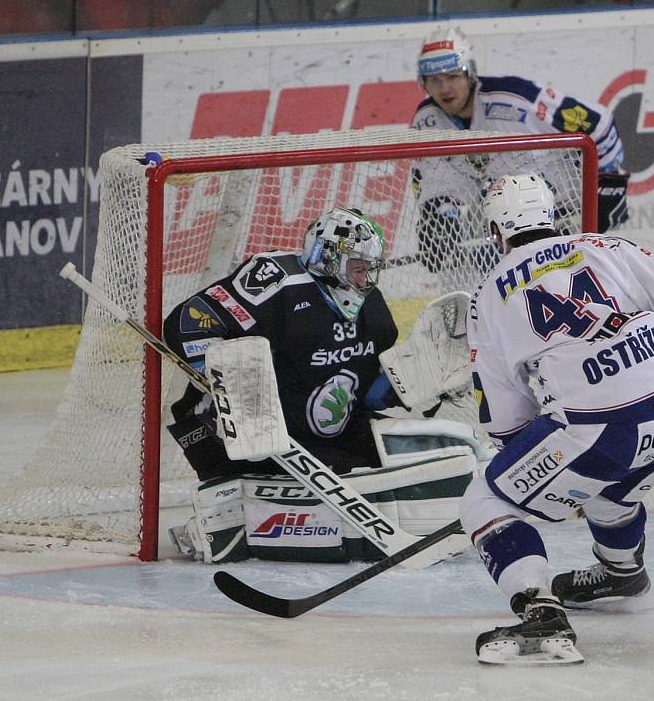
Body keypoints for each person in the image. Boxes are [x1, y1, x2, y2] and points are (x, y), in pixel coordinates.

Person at [460, 173, 654, 665]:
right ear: (551, 216)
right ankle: (621, 571)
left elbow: (506, 418)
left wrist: (546, 469)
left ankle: (540, 614)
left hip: (602, 425)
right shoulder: (605, 245)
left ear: (496, 233)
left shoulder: (489, 295)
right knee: (613, 491)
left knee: (484, 499)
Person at [163, 207, 481, 564]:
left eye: (369, 269)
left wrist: (412, 382)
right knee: (344, 475)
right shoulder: (276, 281)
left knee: (422, 455)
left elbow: (365, 389)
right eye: (357, 268)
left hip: (318, 434)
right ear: (329, 260)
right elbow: (188, 322)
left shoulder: (370, 306)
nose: (365, 280)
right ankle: (222, 519)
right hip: (231, 434)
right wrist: (230, 386)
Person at [410, 27, 630, 276]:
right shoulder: (426, 121)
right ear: (423, 82)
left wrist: (607, 184)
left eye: (452, 76)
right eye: (434, 80)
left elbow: (599, 124)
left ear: (470, 73)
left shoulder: (516, 98)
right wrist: (439, 217)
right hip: (506, 230)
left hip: (569, 218)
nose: (445, 88)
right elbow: (434, 179)